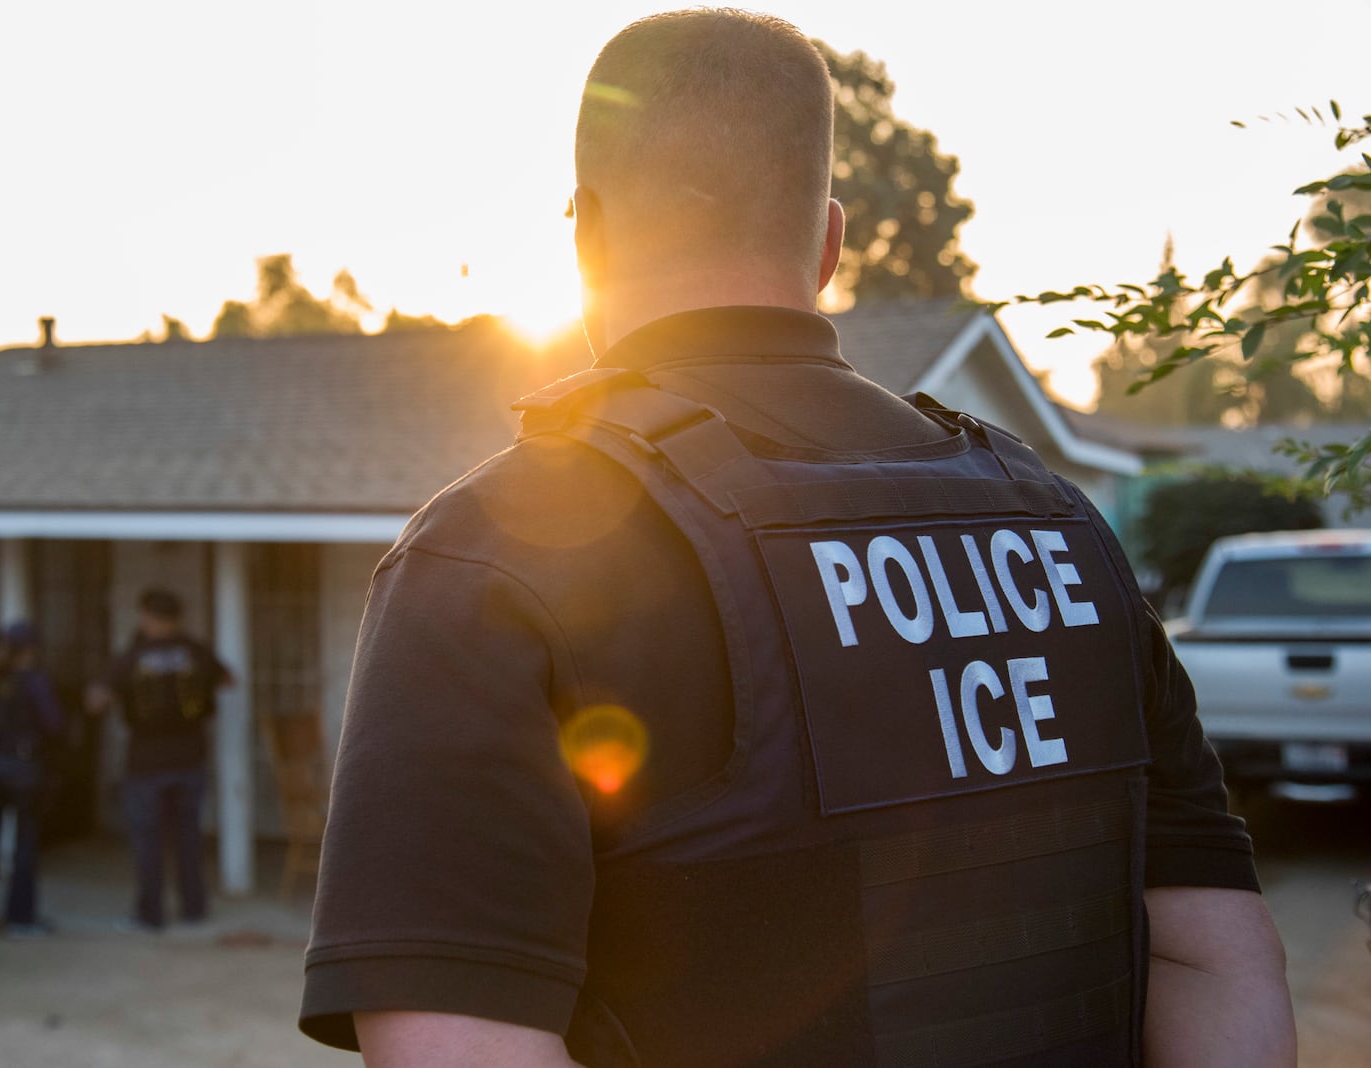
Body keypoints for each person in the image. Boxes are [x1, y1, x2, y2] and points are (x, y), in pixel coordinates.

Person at [299, 10, 1296, 1066]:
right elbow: (1215, 961)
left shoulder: (489, 556)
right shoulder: (1059, 526)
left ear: (585, 234)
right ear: (828, 241)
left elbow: (458, 1047)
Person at [90, 588, 231, 931]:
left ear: (147, 616)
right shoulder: (194, 651)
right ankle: (193, 908)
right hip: (190, 756)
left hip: (146, 762)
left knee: (148, 841)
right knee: (188, 837)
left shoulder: (133, 656)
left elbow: (97, 700)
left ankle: (150, 914)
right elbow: (228, 679)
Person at [0, 620, 63, 941]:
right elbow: (54, 723)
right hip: (22, 772)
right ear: (31, 649)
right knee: (25, 847)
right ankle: (21, 919)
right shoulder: (33, 681)